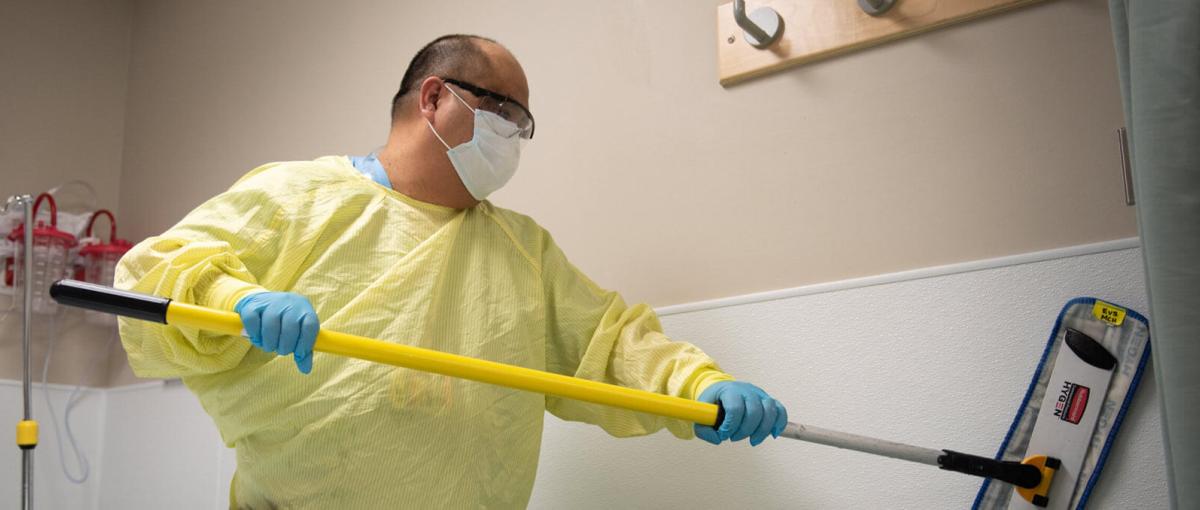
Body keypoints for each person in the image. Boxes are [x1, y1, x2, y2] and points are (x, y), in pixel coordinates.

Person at [116, 34, 788, 509]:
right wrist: (241, 298)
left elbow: (609, 344)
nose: (517, 137)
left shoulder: (522, 250)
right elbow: (160, 273)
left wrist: (702, 386)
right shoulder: (300, 196)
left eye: (525, 124)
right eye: (507, 112)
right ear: (434, 97)